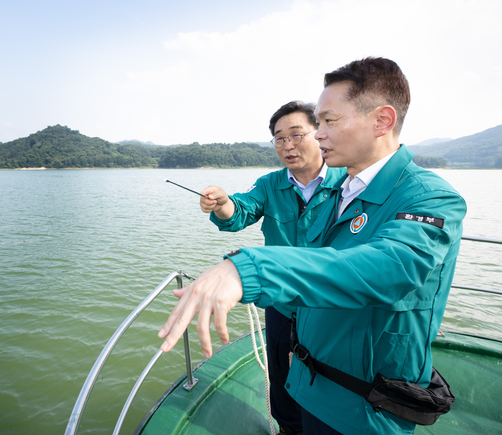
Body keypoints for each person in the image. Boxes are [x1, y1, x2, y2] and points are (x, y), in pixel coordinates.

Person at [158, 57, 466, 435]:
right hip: (310, 369)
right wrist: (224, 206)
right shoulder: (336, 189)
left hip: (365, 403)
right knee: (286, 401)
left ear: (382, 121)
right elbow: (243, 210)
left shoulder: (430, 198)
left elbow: (388, 268)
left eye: (327, 122)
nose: (318, 135)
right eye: (314, 125)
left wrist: (250, 267)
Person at [199, 100, 346, 435]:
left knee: (331, 381)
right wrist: (222, 203)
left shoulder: (347, 181)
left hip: (331, 308)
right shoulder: (270, 184)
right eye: (279, 139)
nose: (287, 145)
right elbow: (239, 211)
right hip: (282, 305)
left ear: (320, 134)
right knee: (281, 378)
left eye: (296, 135)